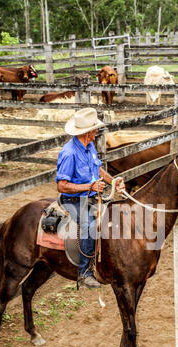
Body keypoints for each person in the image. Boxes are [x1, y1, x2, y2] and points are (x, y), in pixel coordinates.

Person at [56, 107, 125, 288]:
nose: (97, 131)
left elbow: (98, 170)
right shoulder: (69, 153)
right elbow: (61, 185)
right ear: (88, 131)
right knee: (90, 226)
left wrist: (113, 181)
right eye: (95, 128)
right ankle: (84, 272)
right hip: (74, 200)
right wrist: (90, 186)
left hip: (92, 197)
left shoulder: (89, 145)